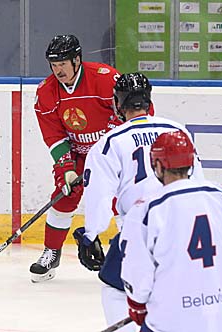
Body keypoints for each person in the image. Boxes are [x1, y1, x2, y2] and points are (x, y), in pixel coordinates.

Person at [72, 72, 203, 331]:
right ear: (147, 100)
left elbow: (99, 196)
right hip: (185, 231)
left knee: (115, 287)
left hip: (139, 232)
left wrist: (90, 236)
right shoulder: (177, 132)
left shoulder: (108, 143)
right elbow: (196, 182)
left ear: (117, 104)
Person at [119, 130, 222, 332]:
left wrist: (137, 305)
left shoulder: (146, 210)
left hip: (169, 323)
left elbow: (138, 274)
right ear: (191, 163)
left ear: (157, 164)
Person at [30, 34, 128, 283]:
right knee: (64, 196)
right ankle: (51, 252)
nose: (58, 70)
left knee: (123, 198)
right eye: (54, 65)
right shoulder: (46, 92)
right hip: (78, 154)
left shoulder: (105, 79)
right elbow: (54, 136)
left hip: (112, 153)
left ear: (77, 60)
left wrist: (109, 153)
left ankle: (133, 253)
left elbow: (130, 114)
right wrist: (67, 168)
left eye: (63, 63)